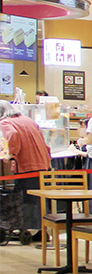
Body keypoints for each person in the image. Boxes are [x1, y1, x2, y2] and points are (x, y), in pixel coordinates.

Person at [0, 100, 51, 243]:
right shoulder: (28, 120)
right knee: (39, 200)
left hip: (26, 165)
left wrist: (11, 154)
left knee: (25, 199)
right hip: (41, 163)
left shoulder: (5, 122)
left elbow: (13, 134)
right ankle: (41, 230)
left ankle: (27, 229)